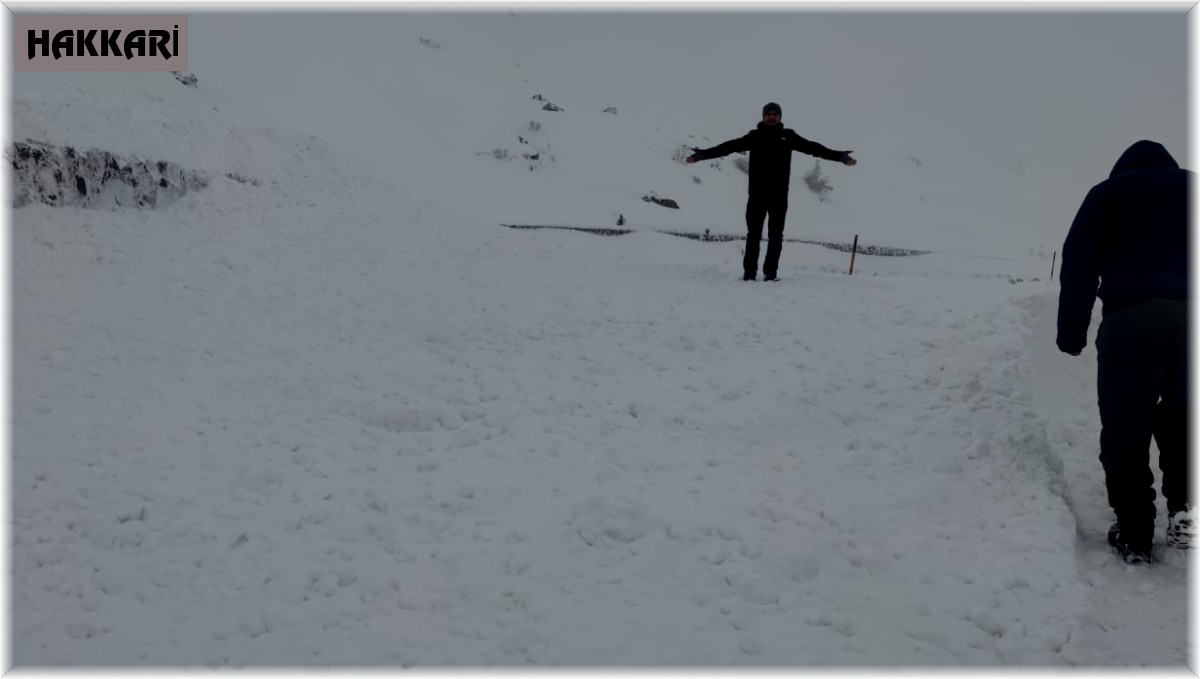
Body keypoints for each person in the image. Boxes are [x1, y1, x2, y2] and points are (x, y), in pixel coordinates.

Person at [1056, 139, 1191, 565]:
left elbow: (1079, 262)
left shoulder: (1108, 193)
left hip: (1132, 319)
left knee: (1125, 422)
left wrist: (1071, 333)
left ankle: (1134, 532)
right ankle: (1187, 516)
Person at [686, 102, 857, 281]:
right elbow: (728, 147)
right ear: (763, 116)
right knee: (753, 236)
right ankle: (749, 274)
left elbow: (813, 148)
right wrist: (702, 155)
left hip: (779, 197)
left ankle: (770, 274)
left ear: (780, 117)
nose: (772, 117)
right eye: (768, 114)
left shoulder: (788, 136)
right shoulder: (754, 136)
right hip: (756, 196)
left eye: (775, 114)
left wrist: (840, 157)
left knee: (776, 237)